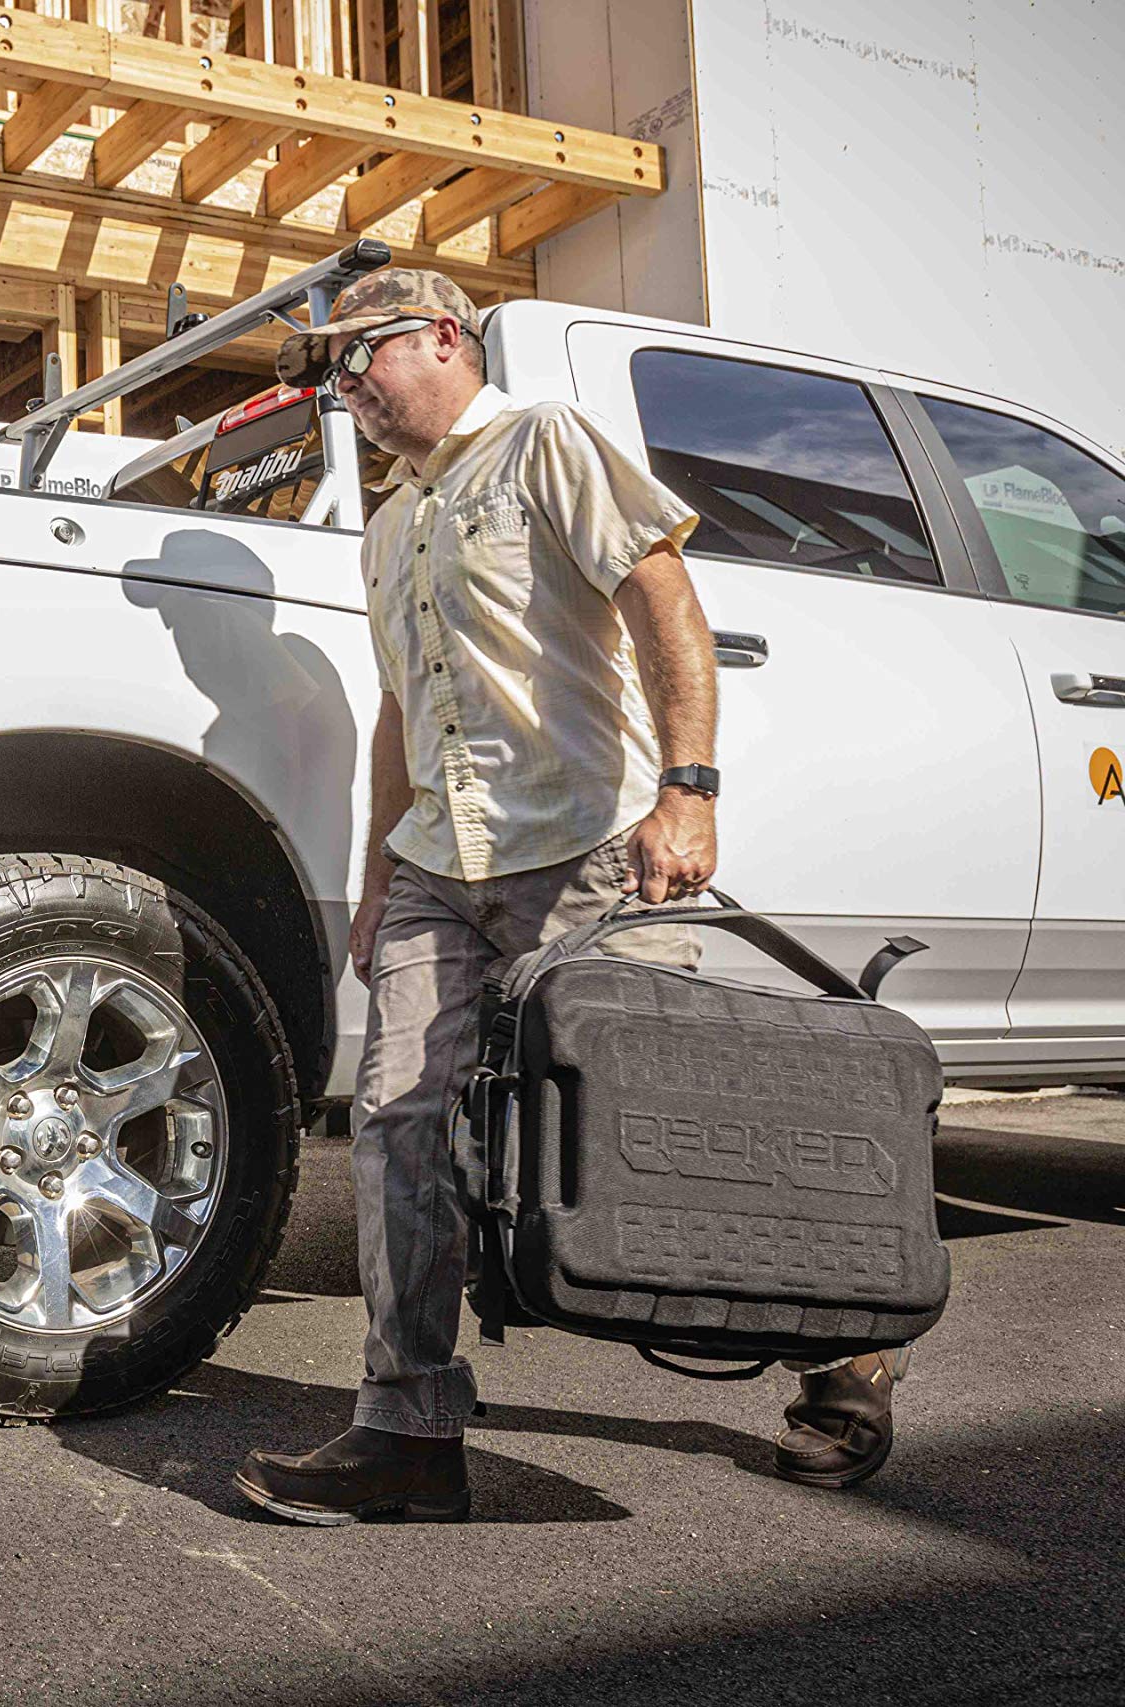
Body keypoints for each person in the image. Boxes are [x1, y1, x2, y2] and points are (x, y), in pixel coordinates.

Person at [228, 268, 908, 1526]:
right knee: (396, 1126)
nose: (345, 389)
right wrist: (376, 880)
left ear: (442, 335)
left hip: (584, 848)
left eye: (358, 354)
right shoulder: (386, 527)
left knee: (658, 1127)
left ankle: (842, 1349)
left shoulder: (545, 443)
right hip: (440, 862)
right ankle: (410, 1433)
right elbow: (398, 710)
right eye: (327, 372)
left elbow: (664, 600)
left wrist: (687, 789)